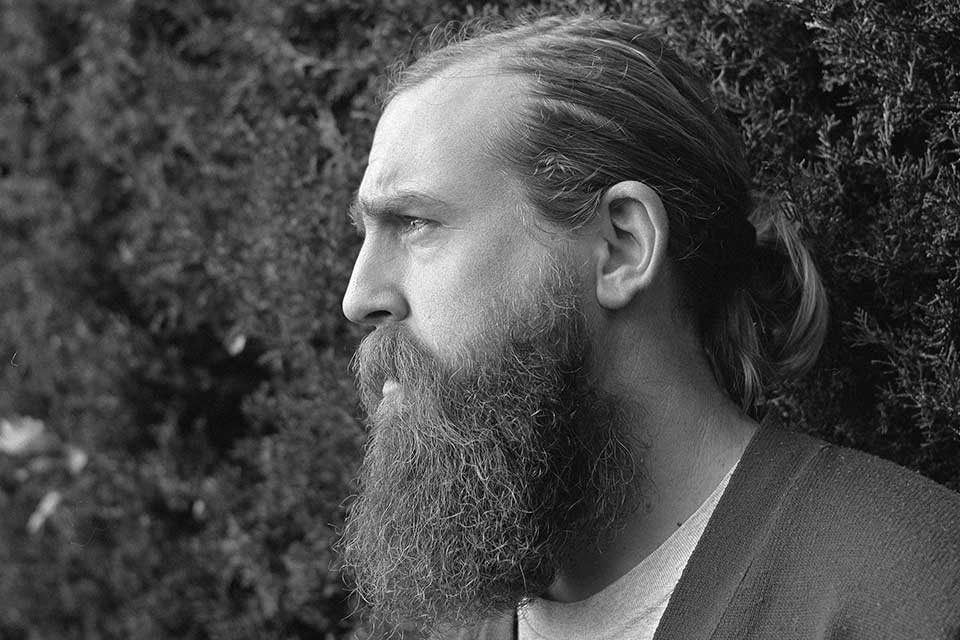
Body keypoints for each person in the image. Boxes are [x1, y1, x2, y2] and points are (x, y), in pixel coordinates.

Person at [338, 13, 960, 640]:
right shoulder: (456, 626)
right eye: (365, 237)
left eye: (416, 224)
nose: (358, 298)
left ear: (621, 248)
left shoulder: (904, 592)